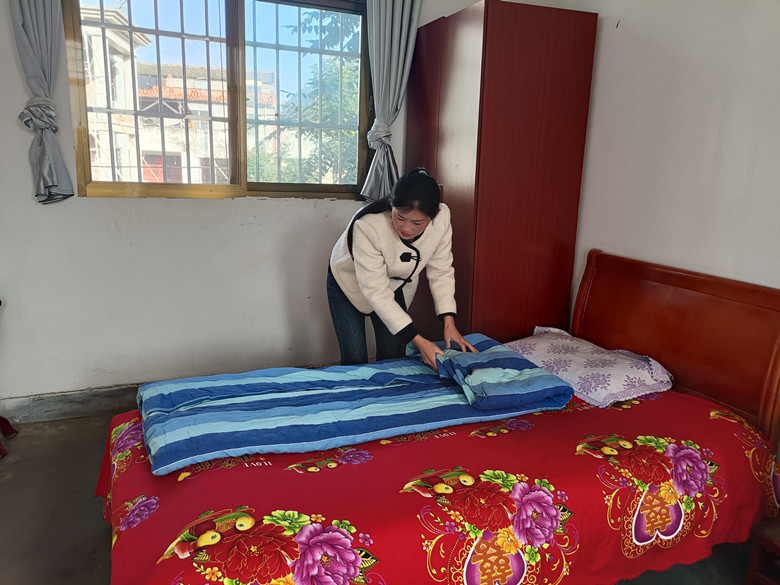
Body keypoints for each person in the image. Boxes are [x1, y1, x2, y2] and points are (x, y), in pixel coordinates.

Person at [327, 167, 476, 370]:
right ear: (392, 205)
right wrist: (420, 342)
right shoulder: (368, 226)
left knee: (392, 355)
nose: (407, 228)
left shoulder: (442, 218)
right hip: (348, 281)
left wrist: (449, 323)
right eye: (400, 217)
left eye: (417, 222)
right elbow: (375, 290)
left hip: (394, 282)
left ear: (433, 216)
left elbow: (441, 270)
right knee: (355, 357)